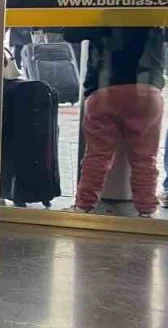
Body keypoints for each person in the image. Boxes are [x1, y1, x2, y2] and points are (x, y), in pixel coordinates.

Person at [64, 18, 166, 218]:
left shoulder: (103, 13)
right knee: (145, 159)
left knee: (97, 156)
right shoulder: (155, 13)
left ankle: (84, 206)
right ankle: (147, 211)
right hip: (147, 90)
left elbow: (69, 32)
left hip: (104, 90)